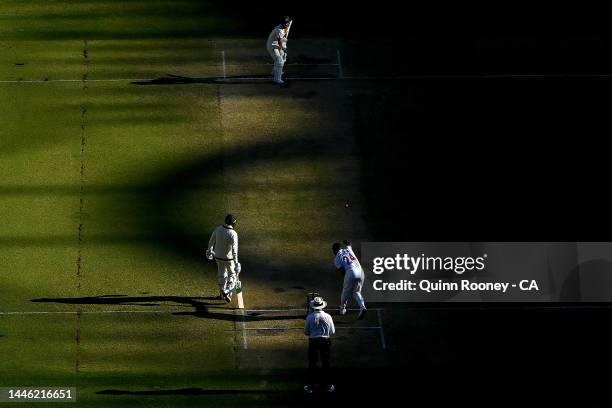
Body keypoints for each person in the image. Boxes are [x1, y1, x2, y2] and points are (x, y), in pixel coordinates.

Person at [206, 214, 241, 303]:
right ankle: (227, 291)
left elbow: (211, 241)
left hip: (217, 257)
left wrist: (209, 250)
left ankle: (222, 294)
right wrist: (236, 262)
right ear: (233, 223)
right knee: (232, 274)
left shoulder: (218, 229)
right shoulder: (233, 233)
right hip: (229, 259)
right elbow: (234, 250)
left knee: (221, 274)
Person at [303, 296, 336, 394]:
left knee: (312, 363)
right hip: (325, 341)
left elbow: (306, 332)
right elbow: (332, 331)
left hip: (313, 341)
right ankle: (329, 385)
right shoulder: (328, 316)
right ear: (322, 306)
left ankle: (309, 386)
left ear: (313, 307)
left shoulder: (309, 317)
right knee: (326, 363)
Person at [333, 240, 367, 319]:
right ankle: (362, 308)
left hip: (351, 272)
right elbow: (349, 244)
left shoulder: (336, 258)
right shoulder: (348, 249)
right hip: (360, 271)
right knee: (356, 292)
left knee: (345, 291)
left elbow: (342, 271)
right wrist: (346, 242)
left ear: (335, 250)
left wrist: (348, 278)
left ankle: (342, 310)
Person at [266, 16, 292, 84]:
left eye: (287, 23)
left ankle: (275, 71)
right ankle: (277, 79)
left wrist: (283, 40)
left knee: (283, 58)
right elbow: (280, 42)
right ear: (282, 23)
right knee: (279, 61)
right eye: (284, 23)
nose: (286, 24)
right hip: (272, 46)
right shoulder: (279, 30)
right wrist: (284, 49)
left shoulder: (285, 27)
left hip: (277, 43)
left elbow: (281, 39)